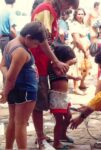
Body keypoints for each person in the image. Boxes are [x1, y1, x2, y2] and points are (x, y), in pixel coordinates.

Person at [31, 0, 79, 149]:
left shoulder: (53, 13)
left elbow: (50, 41)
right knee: (38, 105)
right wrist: (56, 61)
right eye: (68, 5)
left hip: (43, 63)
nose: (67, 10)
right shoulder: (46, 10)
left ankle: (42, 137)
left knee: (41, 102)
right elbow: (42, 40)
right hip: (37, 63)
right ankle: (41, 139)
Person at [0, 22, 46, 150]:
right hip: (25, 90)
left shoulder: (11, 43)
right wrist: (5, 91)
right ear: (28, 37)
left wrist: (8, 83)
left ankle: (8, 148)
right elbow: (10, 78)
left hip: (17, 89)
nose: (36, 46)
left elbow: (3, 66)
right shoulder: (20, 50)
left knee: (13, 121)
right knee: (21, 123)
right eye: (35, 43)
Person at [49, 45, 79, 149]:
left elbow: (64, 75)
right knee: (59, 121)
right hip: (57, 97)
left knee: (68, 116)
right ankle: (56, 143)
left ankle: (62, 135)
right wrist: (69, 63)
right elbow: (59, 73)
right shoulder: (54, 65)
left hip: (63, 97)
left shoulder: (61, 66)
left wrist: (74, 77)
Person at [71, 8, 91, 93]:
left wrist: (87, 50)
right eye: (78, 14)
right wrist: (84, 50)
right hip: (79, 49)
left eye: (82, 14)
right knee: (78, 67)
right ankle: (75, 88)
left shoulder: (83, 25)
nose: (80, 15)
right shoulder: (74, 25)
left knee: (85, 66)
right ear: (75, 15)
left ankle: (82, 84)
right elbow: (77, 40)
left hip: (85, 49)